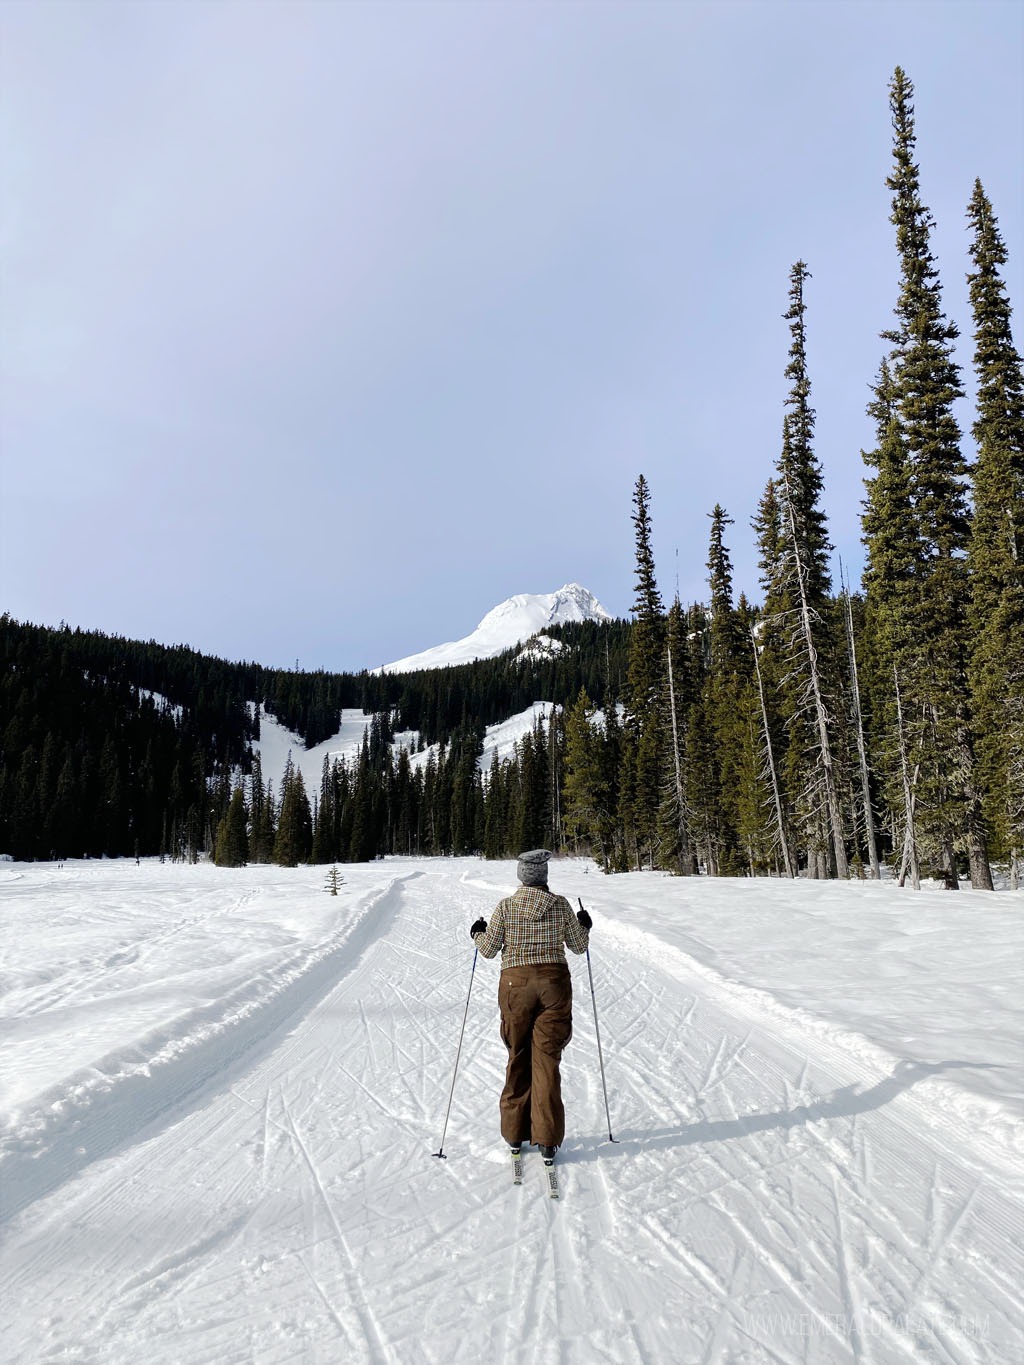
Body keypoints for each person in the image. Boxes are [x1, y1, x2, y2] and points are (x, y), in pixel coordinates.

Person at [470, 849, 592, 1158]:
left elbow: (487, 950)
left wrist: (477, 933)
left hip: (515, 986)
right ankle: (548, 1141)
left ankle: (514, 1135)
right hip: (554, 985)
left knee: (518, 1054)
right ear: (544, 877)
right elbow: (578, 947)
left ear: (521, 876)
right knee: (547, 1061)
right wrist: (585, 924)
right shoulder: (561, 905)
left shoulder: (506, 907)